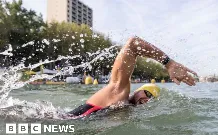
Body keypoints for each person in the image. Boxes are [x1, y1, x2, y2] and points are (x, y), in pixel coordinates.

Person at [68, 36, 198, 117]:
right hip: (59, 123)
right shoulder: (119, 91)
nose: (147, 99)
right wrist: (169, 63)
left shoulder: (127, 110)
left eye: (151, 98)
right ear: (137, 91)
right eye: (147, 93)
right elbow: (133, 44)